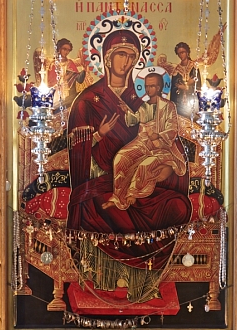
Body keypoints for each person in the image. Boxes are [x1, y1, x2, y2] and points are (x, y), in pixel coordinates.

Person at [67, 29, 192, 302]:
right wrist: (98, 135)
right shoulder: (87, 101)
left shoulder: (143, 99)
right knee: (99, 205)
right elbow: (77, 152)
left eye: (131, 56)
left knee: (178, 206)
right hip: (100, 180)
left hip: (144, 178)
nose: (125, 61)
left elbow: (169, 140)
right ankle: (104, 281)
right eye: (120, 54)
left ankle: (145, 284)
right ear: (107, 58)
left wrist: (167, 169)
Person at [103, 73, 186, 210]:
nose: (148, 89)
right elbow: (135, 120)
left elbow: (172, 130)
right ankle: (117, 197)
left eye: (152, 86)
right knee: (120, 157)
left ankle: (133, 193)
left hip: (161, 147)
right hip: (142, 142)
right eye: (146, 86)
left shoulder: (168, 106)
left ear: (159, 87)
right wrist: (127, 111)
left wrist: (156, 136)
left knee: (145, 164)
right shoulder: (144, 106)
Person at [47, 38, 85, 106]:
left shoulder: (70, 63)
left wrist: (83, 70)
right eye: (64, 49)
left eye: (68, 50)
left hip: (70, 93)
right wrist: (64, 79)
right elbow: (50, 83)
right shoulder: (53, 64)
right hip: (57, 94)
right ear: (59, 49)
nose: (66, 52)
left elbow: (78, 78)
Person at [170, 42, 197, 117]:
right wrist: (178, 87)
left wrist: (187, 87)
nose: (181, 55)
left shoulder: (194, 67)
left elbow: (198, 86)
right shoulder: (177, 70)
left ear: (187, 52)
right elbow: (173, 88)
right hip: (180, 103)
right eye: (178, 53)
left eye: (182, 52)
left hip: (192, 101)